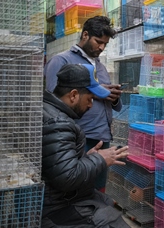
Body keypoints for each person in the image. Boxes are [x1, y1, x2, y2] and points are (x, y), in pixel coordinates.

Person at [41, 63, 130, 227]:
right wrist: (100, 159)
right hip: (56, 208)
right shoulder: (58, 123)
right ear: (73, 95)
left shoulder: (52, 112)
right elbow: (67, 178)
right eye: (89, 99)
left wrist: (84, 158)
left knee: (109, 204)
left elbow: (57, 165)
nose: (90, 105)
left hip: (60, 198)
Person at [44, 16, 122, 193]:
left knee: (97, 189)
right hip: (77, 137)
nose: (101, 47)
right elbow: (54, 100)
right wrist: (96, 91)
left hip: (102, 136)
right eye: (98, 41)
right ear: (85, 35)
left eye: (105, 44)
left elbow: (111, 103)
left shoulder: (100, 66)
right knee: (75, 186)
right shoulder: (61, 60)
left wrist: (114, 97)